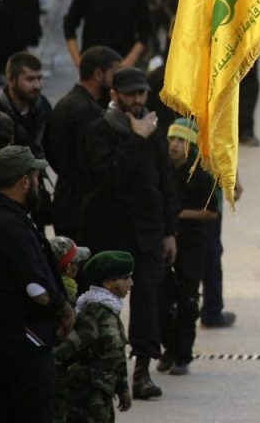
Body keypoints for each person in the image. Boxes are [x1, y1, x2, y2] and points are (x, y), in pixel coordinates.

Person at [82, 67, 180, 399]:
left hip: (149, 233)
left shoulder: (153, 130)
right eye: (131, 94)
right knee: (106, 302)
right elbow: (109, 177)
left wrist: (170, 231)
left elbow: (165, 183)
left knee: (148, 301)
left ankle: (141, 371)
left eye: (142, 94)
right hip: (114, 233)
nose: (138, 100)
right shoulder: (101, 131)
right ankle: (106, 371)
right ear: (115, 96)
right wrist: (135, 140)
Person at [0, 145, 74, 423]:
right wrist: (63, 309)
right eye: (37, 179)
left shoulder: (11, 219)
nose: (39, 185)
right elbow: (33, 281)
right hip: (23, 341)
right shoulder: (7, 225)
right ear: (23, 182)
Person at [157, 119, 217, 376]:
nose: (175, 145)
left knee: (187, 300)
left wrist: (180, 215)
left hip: (192, 244)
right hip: (163, 243)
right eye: (172, 139)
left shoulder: (200, 176)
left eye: (181, 140)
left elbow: (212, 212)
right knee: (161, 299)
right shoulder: (162, 171)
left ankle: (183, 354)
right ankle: (169, 349)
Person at [46, 46, 123, 239]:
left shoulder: (66, 103)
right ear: (98, 74)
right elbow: (92, 165)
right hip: (80, 208)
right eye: (115, 73)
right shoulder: (87, 113)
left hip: (66, 199)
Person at [54, 250, 134, 422]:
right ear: (108, 283)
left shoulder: (110, 311)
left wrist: (123, 389)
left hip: (102, 394)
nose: (131, 283)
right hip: (87, 399)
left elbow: (116, 356)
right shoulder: (94, 314)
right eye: (125, 278)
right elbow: (63, 352)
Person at [0, 51, 51, 159]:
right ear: (11, 79)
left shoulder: (42, 105)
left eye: (39, 78)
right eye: (30, 79)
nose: (37, 85)